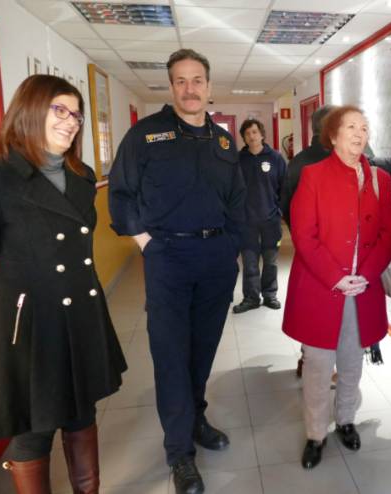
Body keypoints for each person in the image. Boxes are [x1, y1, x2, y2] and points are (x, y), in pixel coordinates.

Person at [0, 75, 127, 493]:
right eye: (60, 110)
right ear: (30, 111)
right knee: (34, 429)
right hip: (31, 325)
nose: (71, 121)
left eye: (76, 115)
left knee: (82, 413)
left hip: (82, 313)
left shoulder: (81, 176)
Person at [108, 49, 245, 494]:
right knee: (171, 355)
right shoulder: (145, 135)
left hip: (215, 260)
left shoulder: (223, 142)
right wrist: (146, 244)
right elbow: (121, 194)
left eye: (197, 80)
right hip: (168, 258)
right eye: (181, 81)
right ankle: (180, 453)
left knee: (202, 350)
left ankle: (196, 418)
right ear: (171, 87)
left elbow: (237, 200)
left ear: (209, 86)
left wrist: (232, 248)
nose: (190, 88)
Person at [282, 105, 391, 469]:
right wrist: (336, 276)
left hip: (362, 290)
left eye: (364, 127)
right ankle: (316, 433)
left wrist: (367, 273)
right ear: (333, 136)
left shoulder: (379, 179)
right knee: (318, 365)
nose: (360, 134)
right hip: (322, 287)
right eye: (351, 127)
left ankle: (346, 419)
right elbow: (304, 234)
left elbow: (389, 232)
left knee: (351, 360)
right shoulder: (313, 175)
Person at [232, 118, 286, 314]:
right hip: (246, 222)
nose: (251, 136)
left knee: (270, 261)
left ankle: (270, 295)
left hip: (271, 221)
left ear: (262, 134)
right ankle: (251, 298)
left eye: (254, 132)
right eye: (247, 134)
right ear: (244, 138)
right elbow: (232, 189)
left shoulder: (276, 158)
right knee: (250, 263)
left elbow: (284, 188)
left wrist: (279, 211)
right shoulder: (238, 160)